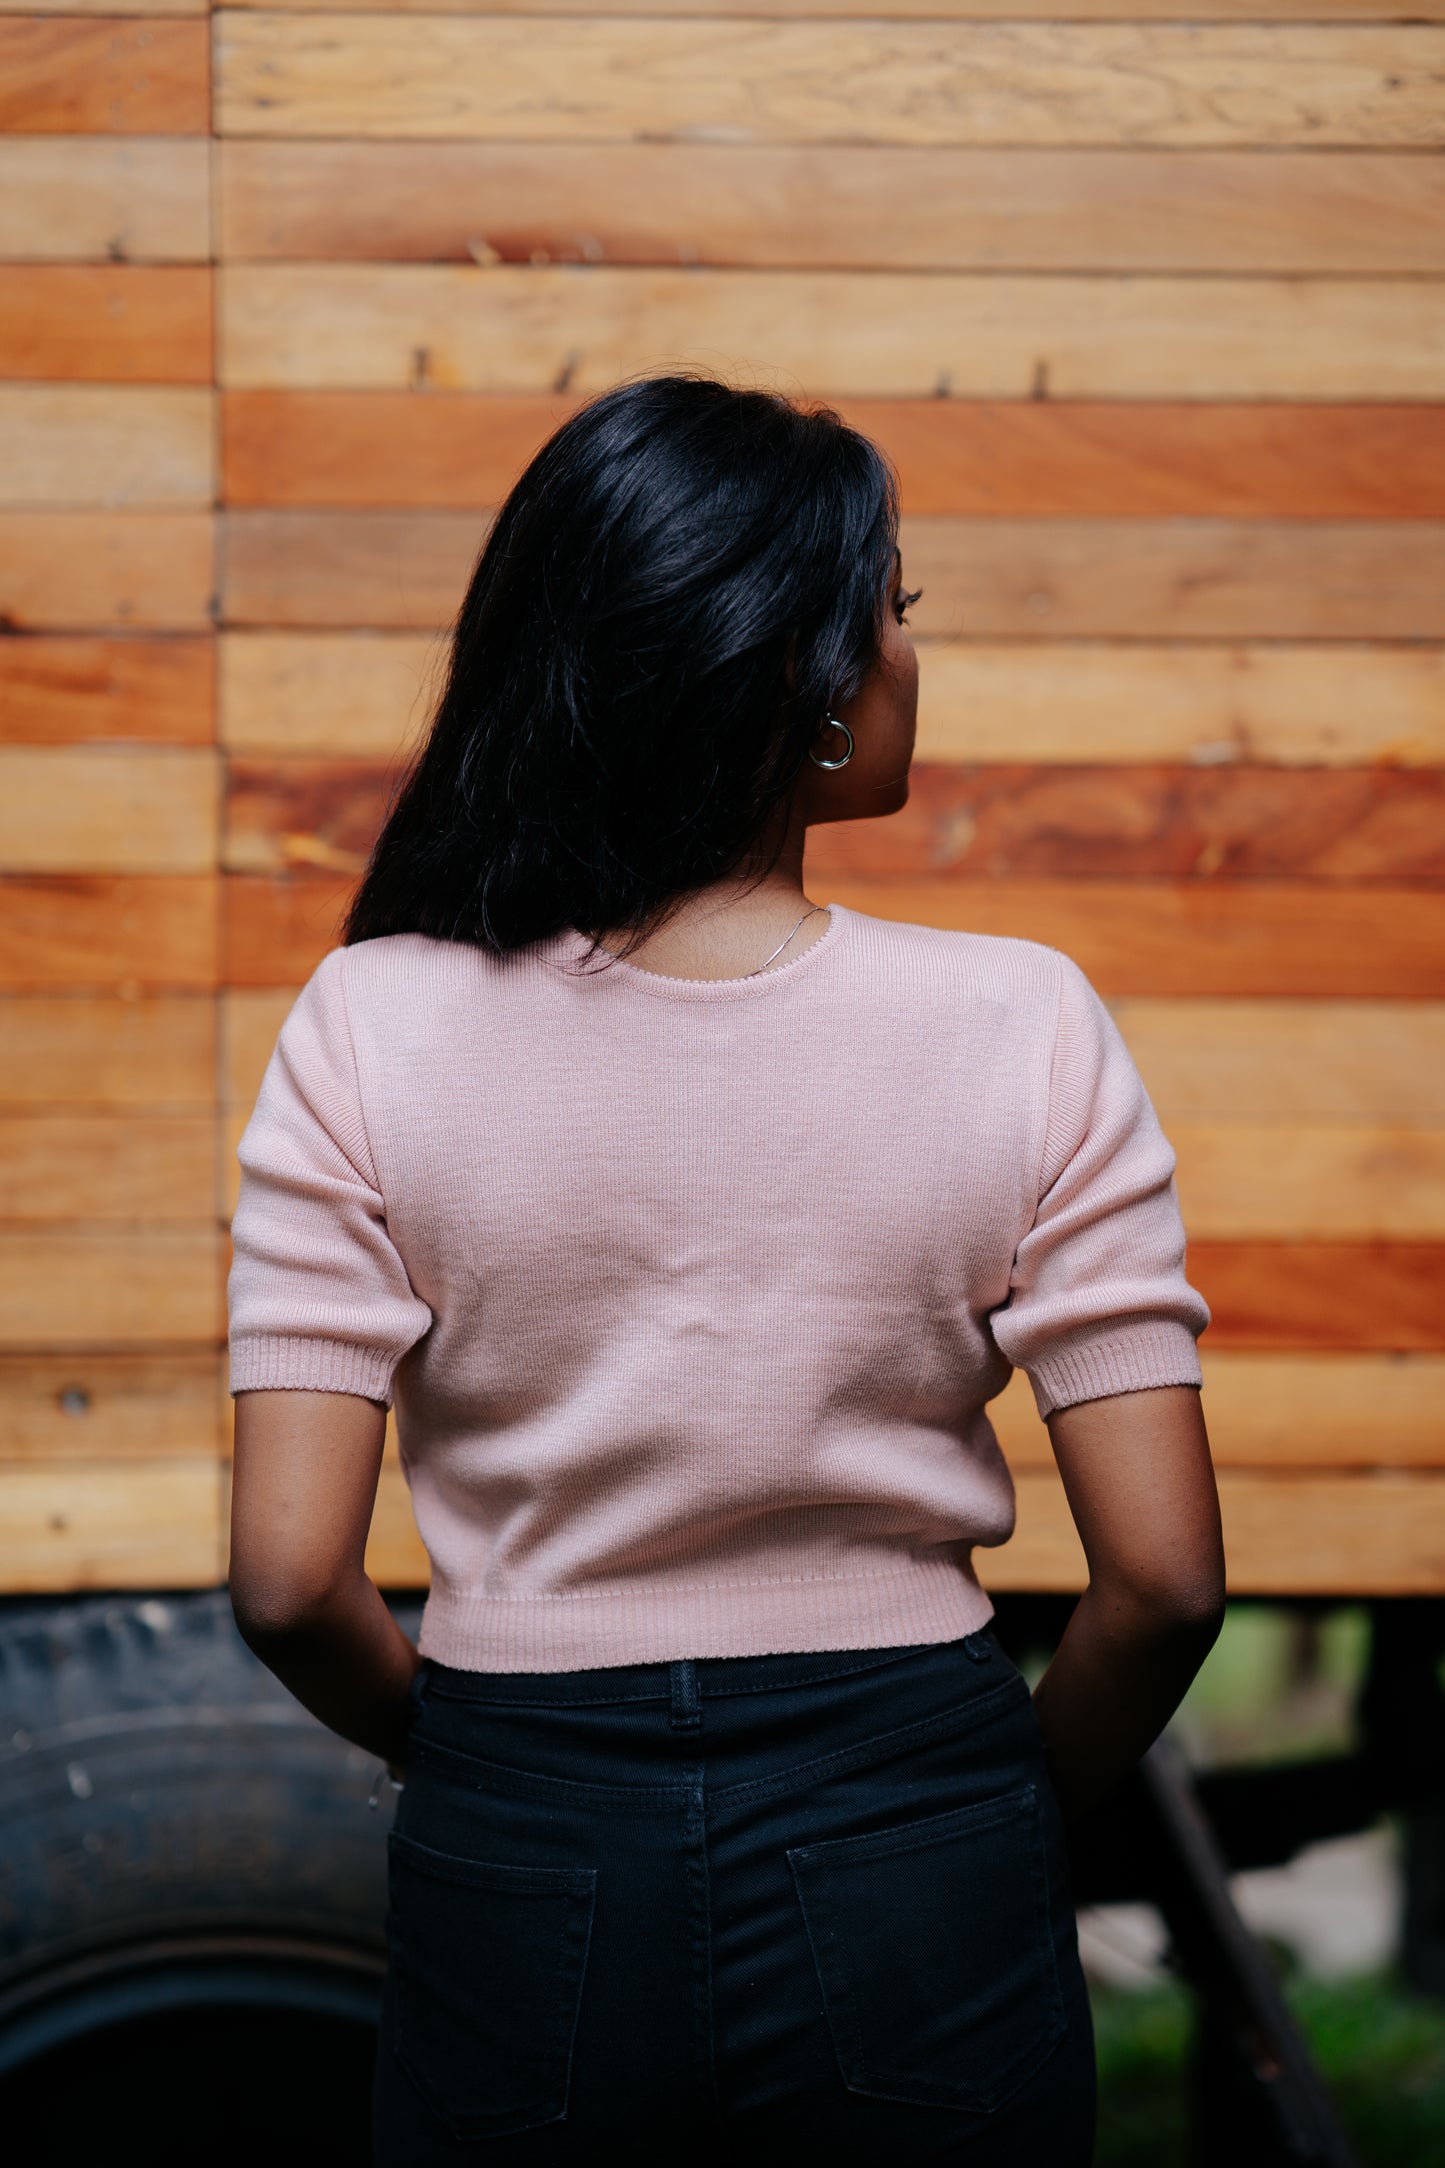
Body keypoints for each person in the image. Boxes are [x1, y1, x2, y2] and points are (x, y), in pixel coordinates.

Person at [227, 375, 1225, 2165]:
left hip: (521, 1833)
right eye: (891, 614)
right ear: (798, 673)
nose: (907, 661)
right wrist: (991, 1814)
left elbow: (293, 1587)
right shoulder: (1021, 1022)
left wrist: (477, 1763)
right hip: (915, 1819)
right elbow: (1158, 1581)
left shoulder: (366, 1021)